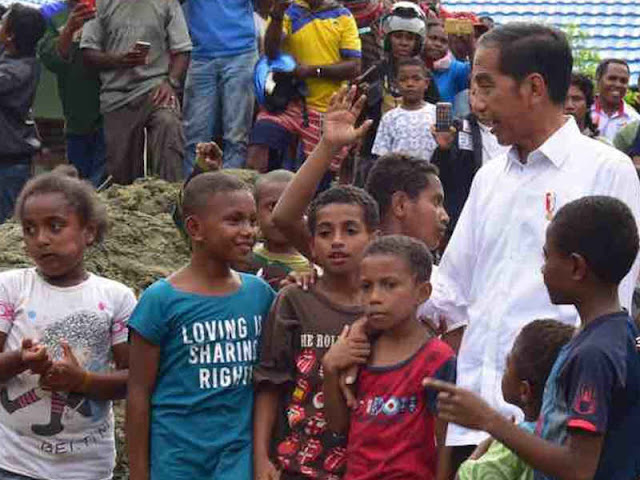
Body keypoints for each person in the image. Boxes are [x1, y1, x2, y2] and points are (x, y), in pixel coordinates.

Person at [428, 22, 640, 454]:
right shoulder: (489, 178)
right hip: (471, 422)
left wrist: (532, 418)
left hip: (551, 430)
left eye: (487, 85)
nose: (479, 103)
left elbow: (606, 310)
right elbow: (452, 292)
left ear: (534, 87)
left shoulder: (606, 170)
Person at [426, 195, 640, 480]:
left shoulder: (594, 354)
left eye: (547, 256)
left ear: (576, 267)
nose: (542, 268)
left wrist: (488, 420)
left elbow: (578, 468)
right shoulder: (615, 331)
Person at [127, 172, 276, 480]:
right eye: (234, 221)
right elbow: (139, 392)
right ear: (195, 228)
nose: (249, 231)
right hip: (176, 460)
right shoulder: (160, 300)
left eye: (251, 220)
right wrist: (139, 473)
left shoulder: (260, 294)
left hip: (237, 459)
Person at [0, 170, 136, 480]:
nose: (42, 239)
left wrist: (83, 381)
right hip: (12, 463)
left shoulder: (116, 297)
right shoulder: (10, 288)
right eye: (30, 229)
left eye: (55, 226)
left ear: (88, 232)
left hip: (86, 466)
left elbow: (135, 380)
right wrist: (20, 360)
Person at [253, 184, 379, 480]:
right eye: (324, 233)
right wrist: (260, 458)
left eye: (350, 231)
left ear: (374, 239)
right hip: (297, 466)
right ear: (311, 244)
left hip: (365, 466)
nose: (337, 242)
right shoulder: (294, 300)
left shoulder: (383, 309)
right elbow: (270, 382)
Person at [323, 235, 456, 480]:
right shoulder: (359, 350)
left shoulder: (437, 359)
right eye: (366, 286)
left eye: (389, 285)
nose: (374, 297)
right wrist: (330, 369)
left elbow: (446, 440)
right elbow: (339, 426)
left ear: (422, 292)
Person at [81, 0, 192, 185]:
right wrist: (117, 60)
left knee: (168, 125)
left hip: (155, 88)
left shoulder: (167, 3)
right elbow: (88, 52)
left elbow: (183, 49)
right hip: (116, 95)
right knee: (120, 174)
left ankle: (173, 195)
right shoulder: (101, 3)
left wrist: (170, 82)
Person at [246, 0, 361, 173]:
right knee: (259, 148)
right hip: (287, 103)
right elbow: (271, 52)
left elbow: (353, 66)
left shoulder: (343, 16)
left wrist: (311, 71)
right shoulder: (288, 11)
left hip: (327, 109)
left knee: (318, 177)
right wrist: (277, 14)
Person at [456, 319, 575, 480]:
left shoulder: (514, 441)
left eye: (507, 366)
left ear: (524, 391)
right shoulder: (569, 438)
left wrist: (482, 449)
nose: (504, 372)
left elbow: (464, 478)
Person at [182, 0, 261, 173]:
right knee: (195, 135)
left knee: (236, 136)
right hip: (200, 54)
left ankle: (230, 188)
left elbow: (265, 6)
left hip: (241, 53)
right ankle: (192, 190)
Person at [37, 0, 105, 187]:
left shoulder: (110, 7)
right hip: (77, 117)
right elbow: (51, 60)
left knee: (105, 182)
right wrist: (69, 29)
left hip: (114, 110)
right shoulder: (52, 14)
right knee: (79, 184)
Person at [430, 85, 508, 231]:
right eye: (474, 93)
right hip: (469, 219)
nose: (480, 101)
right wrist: (443, 149)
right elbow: (441, 177)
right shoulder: (457, 130)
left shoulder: (518, 129)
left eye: (487, 92)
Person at [0, 4, 45, 223]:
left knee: (8, 226)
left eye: (2, 24)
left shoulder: (15, 73)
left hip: (9, 164)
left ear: (9, 36)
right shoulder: (12, 56)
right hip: (9, 162)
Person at [250, 169, 313, 289]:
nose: (280, 216)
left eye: (293, 207)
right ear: (255, 211)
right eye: (272, 206)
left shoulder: (309, 271)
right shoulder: (243, 256)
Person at [371, 56, 438, 162]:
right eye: (403, 79)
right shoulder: (389, 118)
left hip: (431, 175)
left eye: (416, 79)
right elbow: (381, 156)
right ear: (396, 84)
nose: (410, 84)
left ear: (426, 84)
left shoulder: (436, 113)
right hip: (398, 176)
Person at [591, 59, 640, 142]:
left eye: (623, 81)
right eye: (612, 79)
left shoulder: (634, 120)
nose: (618, 84)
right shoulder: (583, 112)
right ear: (598, 80)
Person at [423, 20, 472, 104]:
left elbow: (475, 73)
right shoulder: (411, 65)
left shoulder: (455, 69)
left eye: (444, 41)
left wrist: (470, 47)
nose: (438, 44)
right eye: (433, 38)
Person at [564, 73, 600, 139]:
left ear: (588, 105)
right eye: (563, 99)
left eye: (576, 99)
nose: (569, 105)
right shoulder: (543, 144)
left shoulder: (603, 146)